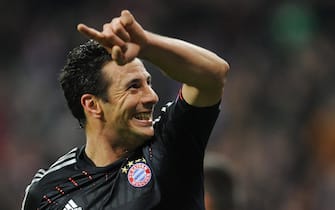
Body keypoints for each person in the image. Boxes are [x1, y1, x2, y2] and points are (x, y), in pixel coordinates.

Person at [21, 10, 229, 210]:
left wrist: (147, 45)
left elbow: (214, 75)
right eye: (134, 87)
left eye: (148, 83)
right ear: (92, 105)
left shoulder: (168, 146)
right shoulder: (48, 192)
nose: (152, 97)